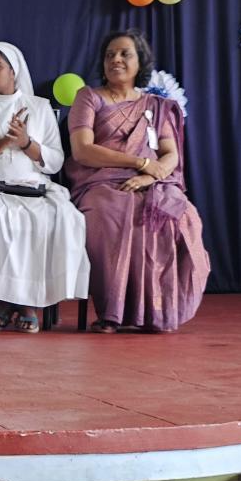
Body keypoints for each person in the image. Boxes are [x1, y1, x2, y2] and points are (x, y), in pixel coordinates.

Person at [67, 29, 210, 333]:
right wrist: (140, 163)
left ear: (140, 62)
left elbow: (170, 154)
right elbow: (83, 150)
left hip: (151, 182)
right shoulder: (89, 97)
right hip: (100, 182)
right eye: (109, 55)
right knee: (113, 214)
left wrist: (148, 176)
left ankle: (157, 313)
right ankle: (112, 313)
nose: (115, 60)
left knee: (181, 215)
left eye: (124, 54)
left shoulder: (156, 106)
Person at [0, 43, 89, 334]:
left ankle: (11, 303)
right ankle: (22, 305)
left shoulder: (39, 107)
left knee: (64, 216)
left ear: (14, 71)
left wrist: (25, 142)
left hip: (33, 187)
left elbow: (54, 162)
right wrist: (1, 144)